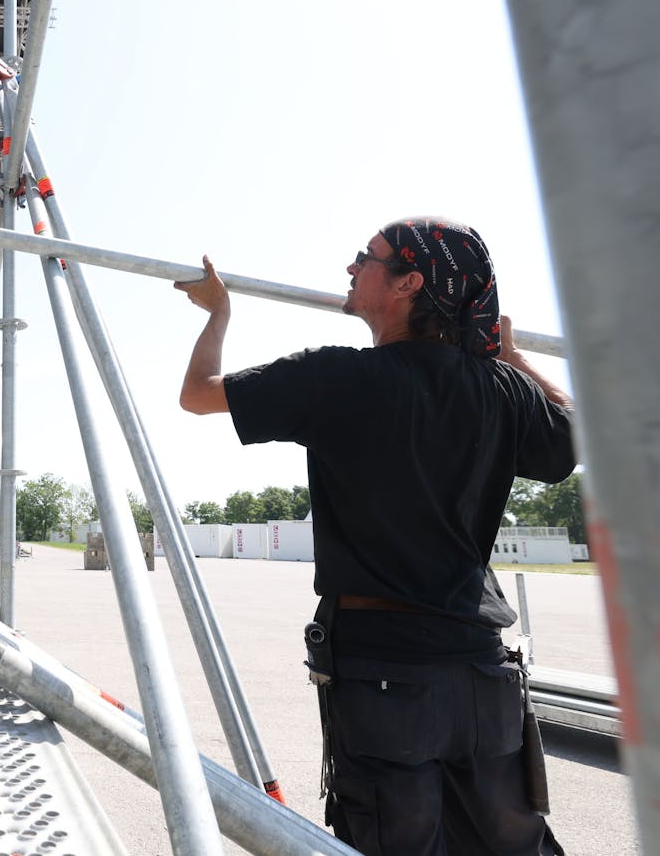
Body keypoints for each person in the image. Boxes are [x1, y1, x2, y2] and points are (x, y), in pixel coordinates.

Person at [176, 217, 576, 855]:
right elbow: (572, 432)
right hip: (481, 674)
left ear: (409, 282)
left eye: (367, 257)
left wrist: (218, 313)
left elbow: (197, 395)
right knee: (513, 847)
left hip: (385, 675)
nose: (351, 267)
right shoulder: (500, 389)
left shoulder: (337, 378)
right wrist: (512, 357)